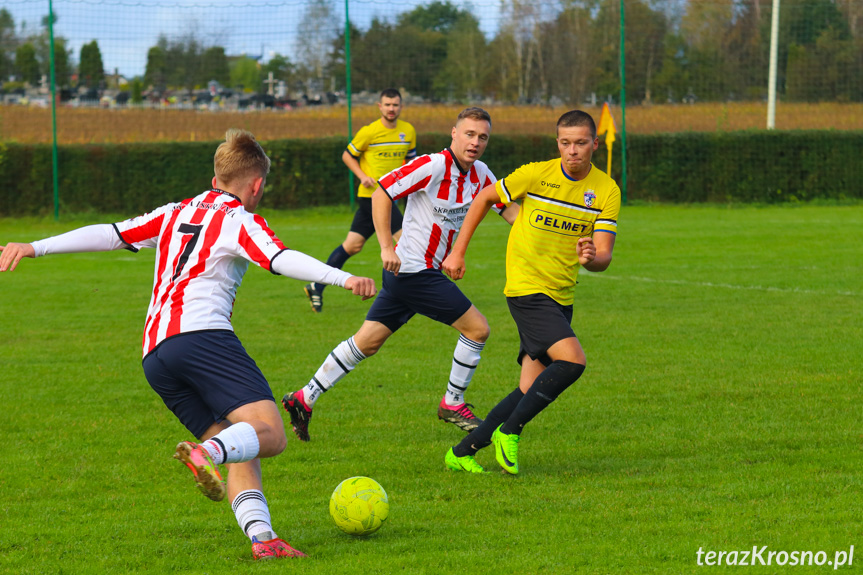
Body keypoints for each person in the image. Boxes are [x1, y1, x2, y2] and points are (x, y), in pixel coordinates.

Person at [0, 130, 376, 559]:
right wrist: (342, 276)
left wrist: (34, 246)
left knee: (244, 442)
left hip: (155, 355)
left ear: (217, 176)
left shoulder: (176, 212)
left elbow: (110, 233)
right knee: (271, 434)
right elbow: (278, 258)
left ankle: (264, 541)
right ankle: (205, 453)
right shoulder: (240, 220)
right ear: (256, 185)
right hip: (202, 338)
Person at [282, 107, 519, 441]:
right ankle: (452, 402)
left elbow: (510, 212)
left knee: (367, 342)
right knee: (478, 329)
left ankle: (304, 398)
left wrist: (552, 231)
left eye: (482, 137)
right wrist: (385, 246)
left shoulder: (481, 174)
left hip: (412, 275)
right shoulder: (433, 165)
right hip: (412, 272)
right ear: (454, 133)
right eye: (469, 134)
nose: (475, 142)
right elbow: (382, 191)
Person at [440, 110, 621, 475]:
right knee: (573, 362)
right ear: (558, 144)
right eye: (566, 143)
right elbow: (484, 198)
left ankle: (462, 452)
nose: (573, 151)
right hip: (526, 289)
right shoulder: (536, 173)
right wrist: (458, 251)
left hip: (561, 294)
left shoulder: (606, 190)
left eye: (581, 143)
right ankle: (511, 432)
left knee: (529, 387)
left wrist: (591, 257)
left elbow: (603, 256)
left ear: (594, 145)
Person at [303, 88, 417, 313]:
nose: (391, 109)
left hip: (392, 195)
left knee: (353, 245)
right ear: (380, 107)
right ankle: (406, 295)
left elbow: (411, 162)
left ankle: (316, 285)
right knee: (404, 239)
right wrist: (363, 176)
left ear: (401, 106)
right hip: (373, 196)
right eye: (387, 104)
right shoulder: (370, 131)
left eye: (395, 105)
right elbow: (347, 155)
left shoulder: (408, 131)